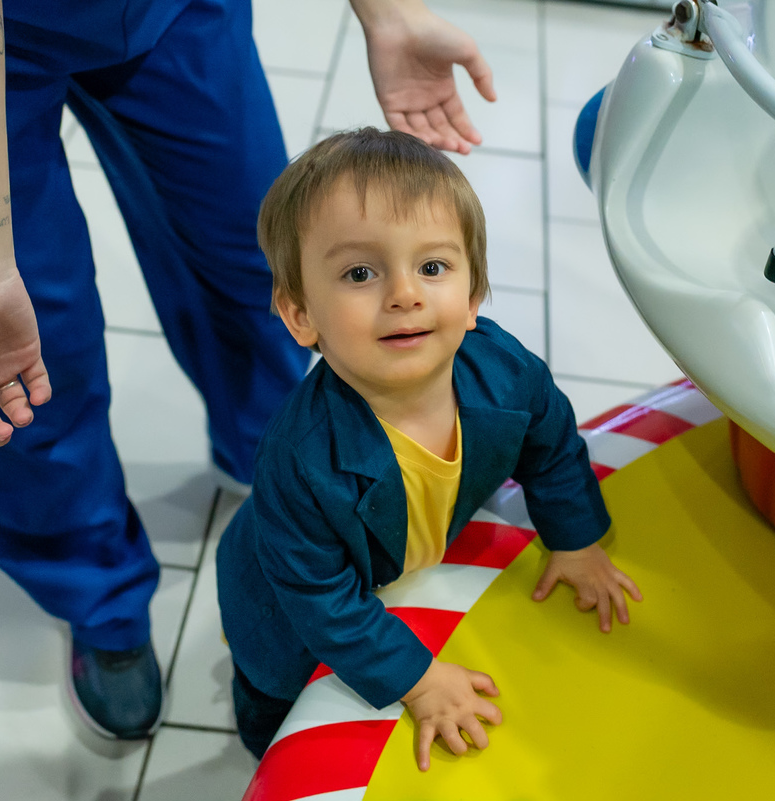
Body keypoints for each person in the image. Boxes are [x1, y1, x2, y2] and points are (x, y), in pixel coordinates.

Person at [0, 0, 496, 740]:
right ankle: (94, 589)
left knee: (254, 252)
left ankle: (272, 460)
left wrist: (387, 11)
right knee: (18, 351)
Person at [217, 128, 644, 769]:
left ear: (472, 296)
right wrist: (416, 678)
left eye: (433, 267)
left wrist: (575, 538)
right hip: (284, 606)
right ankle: (261, 751)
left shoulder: (504, 371)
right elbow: (320, 597)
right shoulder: (301, 458)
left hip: (401, 562)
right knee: (271, 698)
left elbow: (552, 445)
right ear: (301, 314)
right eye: (361, 272)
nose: (404, 294)